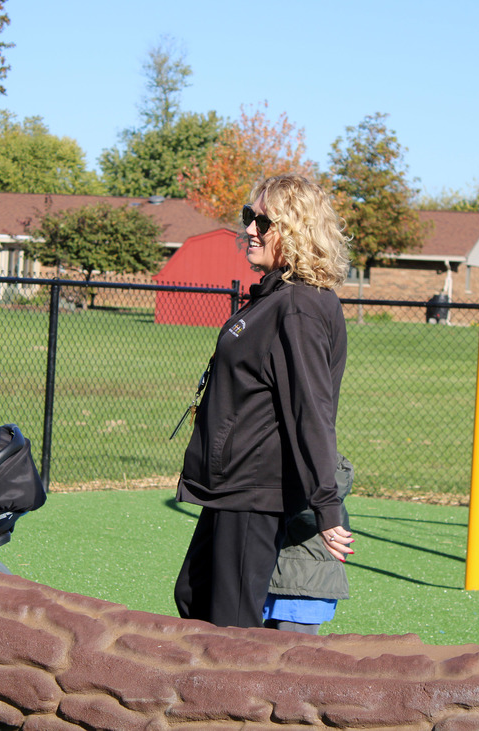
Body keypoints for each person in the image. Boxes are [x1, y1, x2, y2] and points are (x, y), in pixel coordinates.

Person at [174, 173, 354, 628]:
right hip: (232, 484)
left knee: (231, 622)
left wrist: (327, 507)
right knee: (193, 594)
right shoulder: (273, 298)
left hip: (256, 485)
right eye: (248, 217)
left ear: (295, 230)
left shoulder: (298, 307)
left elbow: (309, 410)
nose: (249, 229)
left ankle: (233, 699)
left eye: (263, 221)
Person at [263, 454, 353, 634]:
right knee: (269, 644)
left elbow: (314, 509)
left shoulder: (314, 461)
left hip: (300, 578)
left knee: (293, 649)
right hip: (287, 572)